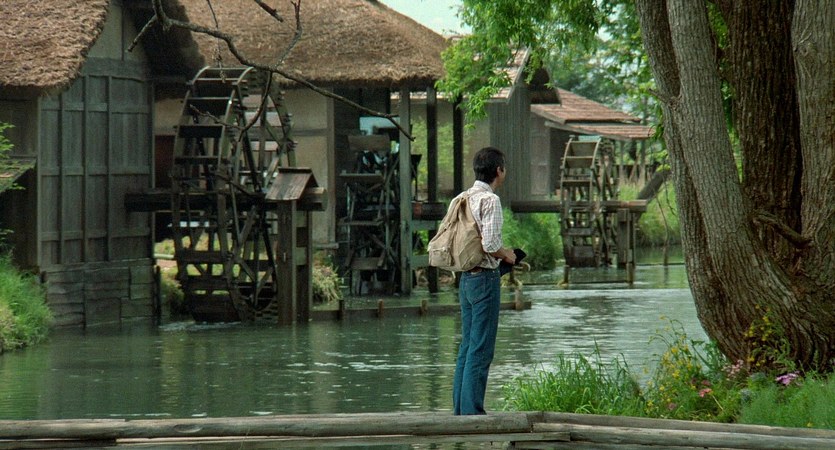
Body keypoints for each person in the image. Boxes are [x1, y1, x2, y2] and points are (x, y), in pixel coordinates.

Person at [452, 146, 516, 415]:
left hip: (466, 279)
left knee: (467, 346)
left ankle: (460, 410)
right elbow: (490, 245)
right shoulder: (490, 200)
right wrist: (508, 255)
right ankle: (473, 414)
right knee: (481, 349)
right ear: (498, 171)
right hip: (485, 280)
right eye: (504, 168)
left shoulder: (462, 198)